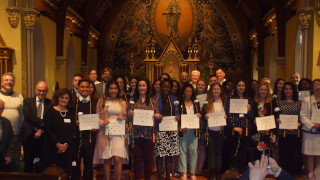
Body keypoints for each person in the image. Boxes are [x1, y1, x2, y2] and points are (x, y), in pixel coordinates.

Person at [93, 81, 128, 180]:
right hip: (105, 132)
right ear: (108, 90)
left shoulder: (122, 102)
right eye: (111, 88)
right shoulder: (102, 101)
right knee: (107, 159)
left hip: (118, 133)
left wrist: (123, 118)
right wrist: (102, 122)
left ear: (118, 90)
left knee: (117, 158)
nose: (113, 91)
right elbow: (97, 117)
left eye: (115, 88)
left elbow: (126, 117)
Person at [128, 79, 161, 180]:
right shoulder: (132, 101)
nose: (141, 88)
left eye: (144, 86)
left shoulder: (153, 101)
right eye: (140, 86)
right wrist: (129, 114)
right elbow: (128, 118)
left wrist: (158, 116)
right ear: (137, 88)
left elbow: (159, 117)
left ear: (147, 87)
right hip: (136, 134)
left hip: (149, 135)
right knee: (137, 160)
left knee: (148, 160)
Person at [41, 88, 75, 177]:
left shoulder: (71, 113)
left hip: (66, 149)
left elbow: (72, 131)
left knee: (66, 174)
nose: (64, 100)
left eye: (66, 98)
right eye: (62, 97)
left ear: (69, 100)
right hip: (52, 148)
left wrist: (66, 145)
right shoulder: (50, 111)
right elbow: (47, 129)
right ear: (57, 98)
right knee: (52, 175)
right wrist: (58, 144)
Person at [225, 79, 255, 174]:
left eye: (243, 85)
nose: (241, 87)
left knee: (244, 149)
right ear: (236, 87)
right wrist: (234, 127)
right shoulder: (230, 99)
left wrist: (248, 110)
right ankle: (234, 169)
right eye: (239, 85)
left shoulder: (249, 100)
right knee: (233, 149)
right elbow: (228, 115)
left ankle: (242, 170)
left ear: (245, 87)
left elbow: (251, 117)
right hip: (234, 128)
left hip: (246, 128)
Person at [20, 81, 51, 173]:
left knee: (41, 164)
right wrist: (39, 127)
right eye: (39, 90)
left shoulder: (50, 103)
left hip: (44, 137)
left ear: (47, 91)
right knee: (28, 163)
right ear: (35, 90)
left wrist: (41, 130)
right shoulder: (27, 101)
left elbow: (50, 119)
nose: (41, 93)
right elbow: (28, 116)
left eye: (44, 91)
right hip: (29, 136)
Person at [154, 79, 180, 180]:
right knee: (160, 154)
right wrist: (156, 115)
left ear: (171, 88)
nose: (165, 88)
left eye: (168, 87)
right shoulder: (155, 99)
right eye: (164, 86)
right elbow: (152, 113)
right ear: (160, 87)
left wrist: (178, 116)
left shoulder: (174, 99)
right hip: (160, 130)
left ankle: (168, 177)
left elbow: (177, 112)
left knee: (169, 155)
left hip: (171, 130)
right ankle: (160, 176)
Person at [72, 79, 98, 180]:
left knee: (88, 164)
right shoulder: (73, 102)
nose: (85, 89)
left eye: (87, 87)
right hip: (76, 138)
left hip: (90, 138)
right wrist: (74, 122)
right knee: (75, 163)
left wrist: (97, 126)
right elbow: (68, 117)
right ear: (78, 88)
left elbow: (99, 117)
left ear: (90, 89)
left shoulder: (95, 102)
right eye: (82, 87)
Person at [276, 82, 301, 175]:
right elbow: (275, 115)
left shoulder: (299, 103)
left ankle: (290, 174)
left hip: (294, 133)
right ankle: (282, 174)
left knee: (292, 154)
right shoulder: (279, 102)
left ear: (294, 90)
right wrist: (277, 119)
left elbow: (301, 117)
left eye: (290, 89)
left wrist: (297, 125)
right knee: (282, 155)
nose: (288, 91)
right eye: (286, 89)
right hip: (282, 132)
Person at [0, 72, 23, 171]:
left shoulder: (19, 96)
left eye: (12, 80)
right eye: (6, 80)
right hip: (2, 135)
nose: (9, 82)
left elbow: (22, 115)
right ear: (1, 82)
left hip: (16, 135)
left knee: (14, 163)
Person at [203, 82, 226, 180]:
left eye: (218, 89)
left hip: (221, 131)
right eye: (214, 89)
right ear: (211, 91)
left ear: (221, 90)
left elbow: (229, 114)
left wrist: (226, 117)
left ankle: (218, 174)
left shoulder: (225, 102)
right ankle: (211, 173)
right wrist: (205, 116)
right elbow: (203, 114)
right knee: (211, 153)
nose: (216, 91)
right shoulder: (207, 102)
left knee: (219, 153)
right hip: (211, 131)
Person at [178, 84, 201, 180]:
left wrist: (200, 115)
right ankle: (183, 172)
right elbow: (177, 116)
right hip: (183, 130)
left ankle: (192, 172)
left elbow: (200, 115)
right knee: (182, 151)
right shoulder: (179, 103)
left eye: (190, 91)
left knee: (193, 151)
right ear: (184, 92)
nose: (189, 93)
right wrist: (179, 126)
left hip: (194, 130)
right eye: (187, 91)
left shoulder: (196, 103)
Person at [300, 79, 320, 180]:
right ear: (312, 87)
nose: (317, 88)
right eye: (315, 86)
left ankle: (318, 174)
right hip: (309, 131)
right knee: (310, 154)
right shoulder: (307, 99)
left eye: (319, 86)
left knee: (319, 154)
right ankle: (310, 175)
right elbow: (302, 115)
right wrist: (311, 125)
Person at [253, 83, 276, 159]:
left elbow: (274, 116)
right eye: (261, 89)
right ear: (258, 91)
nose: (263, 91)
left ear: (268, 91)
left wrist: (270, 127)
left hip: (268, 131)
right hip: (257, 132)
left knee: (268, 154)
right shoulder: (254, 102)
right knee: (257, 154)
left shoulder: (272, 102)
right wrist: (254, 121)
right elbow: (251, 116)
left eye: (265, 90)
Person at [0, 99, 16, 172]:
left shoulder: (6, 122)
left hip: (2, 159)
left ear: (2, 109)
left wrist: (9, 155)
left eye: (0, 108)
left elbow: (11, 141)